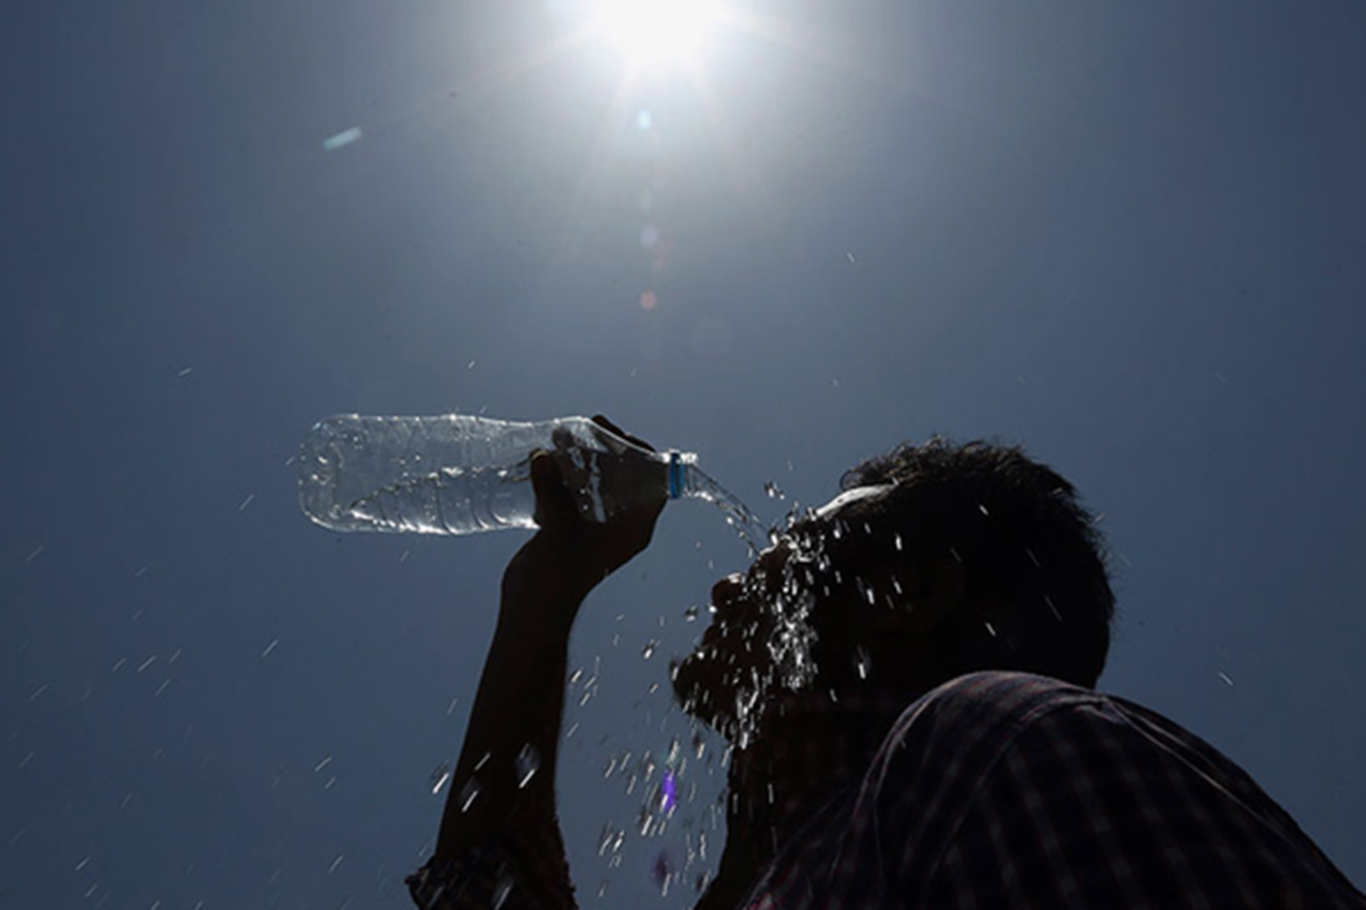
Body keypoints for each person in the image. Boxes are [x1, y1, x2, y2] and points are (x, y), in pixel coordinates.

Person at [408, 420, 1366, 908]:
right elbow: (487, 890)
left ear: (904, 596)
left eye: (793, 543)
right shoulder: (797, 863)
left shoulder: (994, 751)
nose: (731, 589)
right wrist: (545, 590)